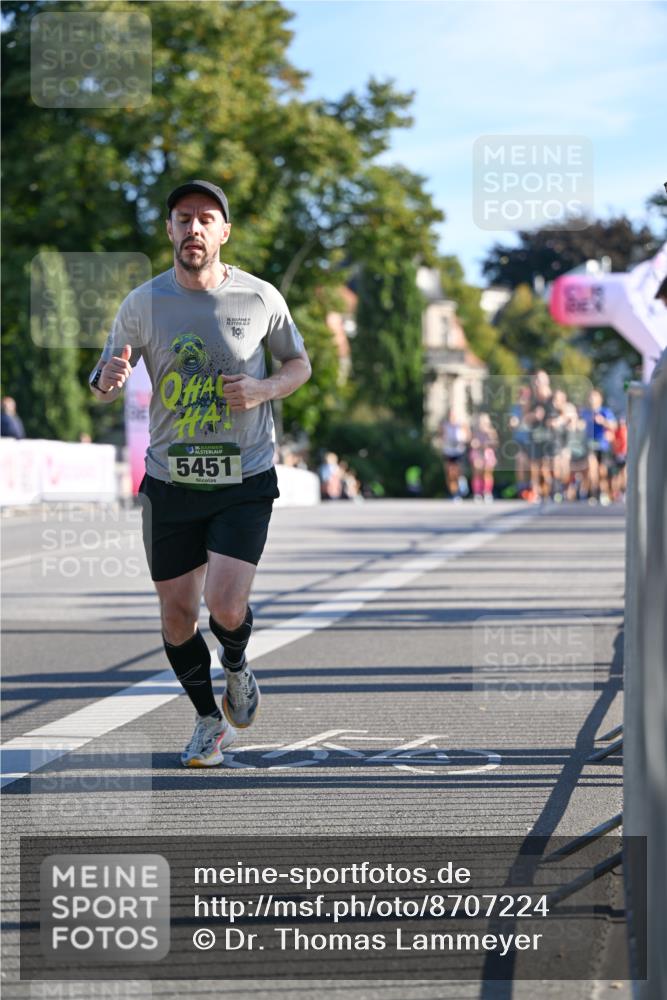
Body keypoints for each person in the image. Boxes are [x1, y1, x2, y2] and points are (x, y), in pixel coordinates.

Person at [88, 179, 311, 767]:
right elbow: (106, 373)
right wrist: (105, 379)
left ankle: (235, 664)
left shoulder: (260, 297)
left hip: (244, 479)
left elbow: (299, 364)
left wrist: (263, 389)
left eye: (206, 219)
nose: (194, 228)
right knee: (177, 616)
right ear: (169, 229)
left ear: (224, 232)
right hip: (170, 482)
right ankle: (209, 721)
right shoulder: (143, 303)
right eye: (183, 218)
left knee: (226, 607)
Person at [581, 388, 616, 505]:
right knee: (592, 468)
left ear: (600, 399)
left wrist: (603, 421)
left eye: (594, 396)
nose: (592, 399)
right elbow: (579, 423)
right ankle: (594, 492)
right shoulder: (585, 412)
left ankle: (604, 492)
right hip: (590, 445)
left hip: (603, 445)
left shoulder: (605, 411)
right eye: (590, 397)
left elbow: (614, 425)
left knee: (602, 471)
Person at [440, 409, 469, 501]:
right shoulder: (444, 425)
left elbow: (468, 437)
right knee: (450, 473)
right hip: (448, 451)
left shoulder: (461, 425)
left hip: (458, 451)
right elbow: (441, 436)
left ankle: (462, 482)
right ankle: (454, 493)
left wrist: (462, 439)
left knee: (457, 472)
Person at [469, 412, 498, 502]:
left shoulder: (491, 432)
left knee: (487, 473)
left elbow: (495, 444)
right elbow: (472, 442)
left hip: (488, 453)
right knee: (477, 472)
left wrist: (489, 436)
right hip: (477, 453)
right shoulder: (475, 432)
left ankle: (487, 492)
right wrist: (475, 444)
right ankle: (477, 492)